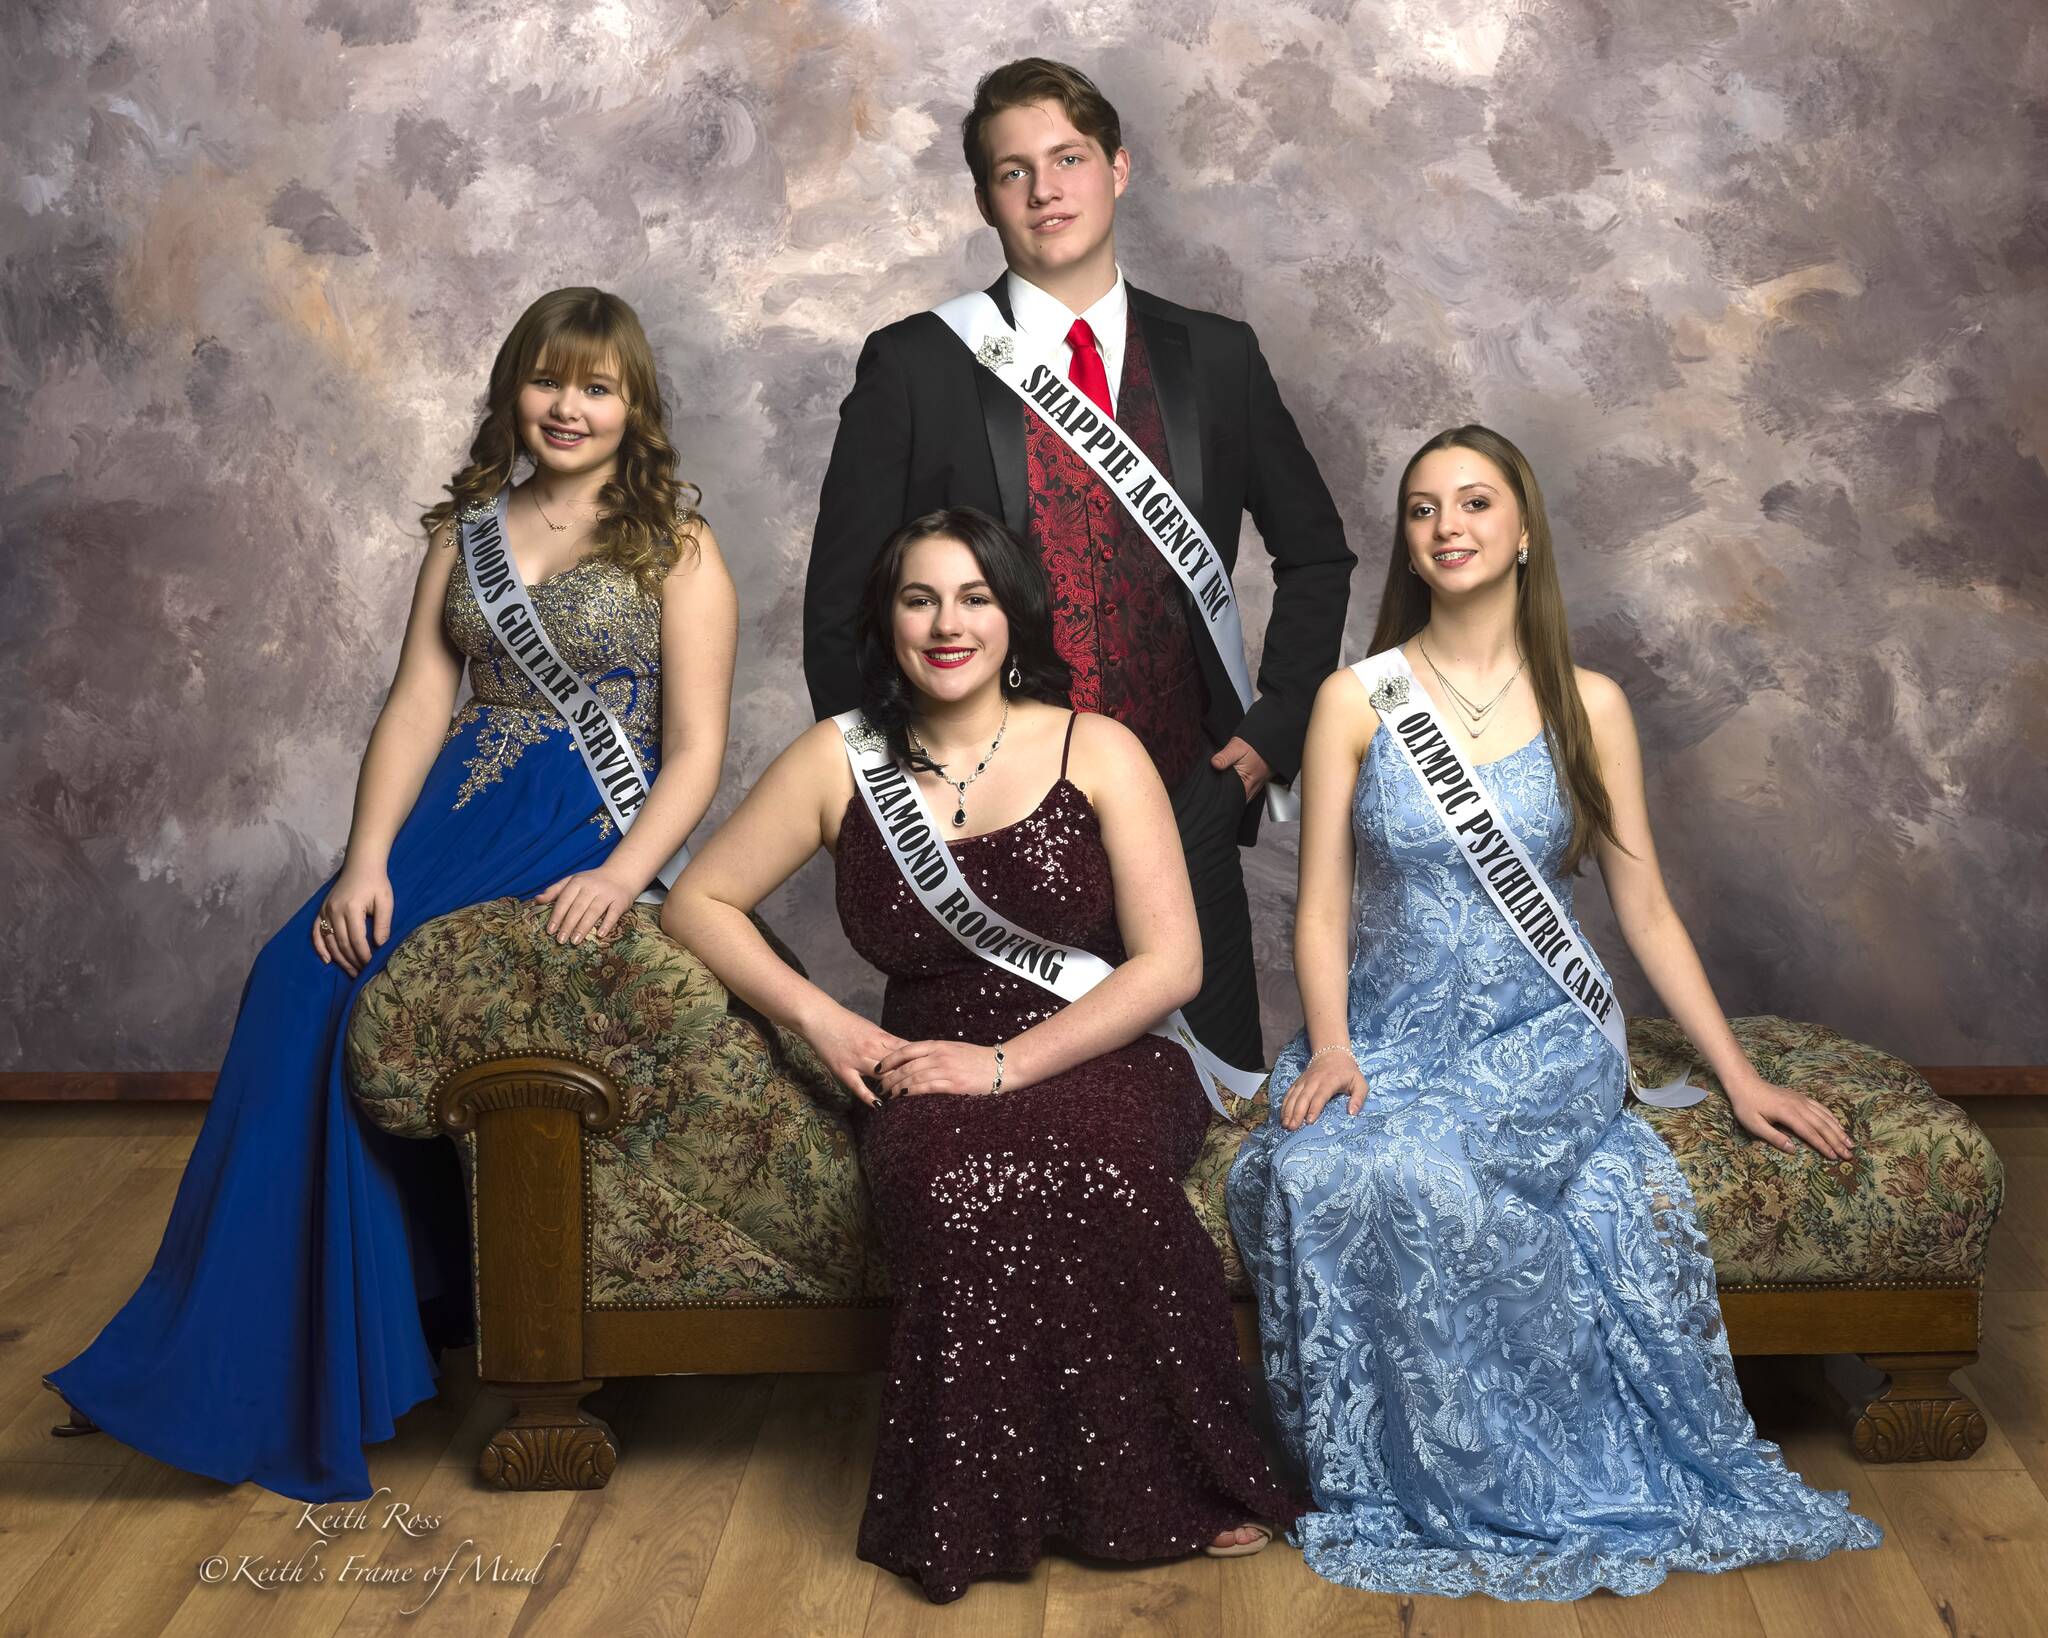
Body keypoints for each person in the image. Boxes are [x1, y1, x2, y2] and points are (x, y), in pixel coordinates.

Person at [44, 288, 739, 1502]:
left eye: (596, 386)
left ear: (634, 408)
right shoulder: (469, 526)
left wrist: (622, 876)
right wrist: (364, 858)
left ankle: (320, 1351)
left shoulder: (675, 544)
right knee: (295, 980)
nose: (567, 407)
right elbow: (420, 702)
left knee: (354, 1003)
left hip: (578, 820)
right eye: (547, 380)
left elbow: (694, 748)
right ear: (511, 389)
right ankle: (239, 1354)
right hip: (454, 814)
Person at [1226, 425, 1882, 1598]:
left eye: (1474, 504)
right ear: (1406, 541)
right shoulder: (1352, 701)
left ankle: (1518, 1479)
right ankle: (1397, 1479)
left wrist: (1737, 1076)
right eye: (1422, 509)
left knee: (1420, 1174)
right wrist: (1329, 1044)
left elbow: (1645, 909)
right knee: (1319, 1172)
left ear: (1522, 532)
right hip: (1388, 1028)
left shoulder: (1590, 705)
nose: (1447, 528)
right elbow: (1316, 910)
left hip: (1543, 1036)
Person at [667, 507, 1298, 1603]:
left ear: (1012, 616)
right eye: (919, 599)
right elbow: (698, 903)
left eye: (973, 598)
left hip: (1100, 1051)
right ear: (888, 619)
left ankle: (1176, 1479)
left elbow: (1168, 968)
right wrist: (827, 1022)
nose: (946, 624)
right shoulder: (836, 758)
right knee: (957, 1186)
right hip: (922, 1062)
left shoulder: (1093, 745)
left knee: (1096, 1172)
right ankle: (985, 1502)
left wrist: (1004, 1068)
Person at [802, 57, 1354, 1075]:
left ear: (1117, 169)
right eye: (1013, 172)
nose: (1044, 190)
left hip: (1184, 798)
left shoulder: (1217, 357)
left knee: (1214, 1106)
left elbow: (1317, 554)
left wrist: (1264, 737)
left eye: (1066, 159)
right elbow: (841, 607)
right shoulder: (916, 364)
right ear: (983, 199)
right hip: (991, 829)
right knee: (982, 1126)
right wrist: (900, 801)